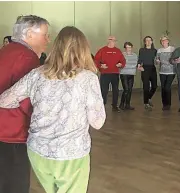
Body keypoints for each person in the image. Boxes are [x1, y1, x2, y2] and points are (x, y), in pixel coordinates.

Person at [0, 26, 106, 193]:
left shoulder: (36, 74)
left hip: (38, 151)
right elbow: (97, 122)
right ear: (84, 49)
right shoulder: (88, 78)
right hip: (72, 154)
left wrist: (33, 108)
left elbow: (4, 100)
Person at [0, 15, 49, 193]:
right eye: (45, 34)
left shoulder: (6, 51)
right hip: (13, 133)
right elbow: (29, 102)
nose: (48, 40)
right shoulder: (27, 58)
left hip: (3, 131)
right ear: (29, 34)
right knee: (15, 185)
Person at [94, 35, 126, 113]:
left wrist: (120, 65)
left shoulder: (118, 51)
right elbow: (96, 60)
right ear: (108, 40)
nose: (113, 42)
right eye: (112, 40)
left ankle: (115, 106)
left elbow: (123, 61)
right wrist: (100, 66)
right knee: (104, 90)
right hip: (105, 74)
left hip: (115, 73)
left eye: (115, 40)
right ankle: (102, 105)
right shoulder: (102, 50)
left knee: (116, 90)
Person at [156, 35, 176, 111]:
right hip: (162, 71)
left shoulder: (172, 49)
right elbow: (157, 59)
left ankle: (168, 104)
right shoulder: (159, 50)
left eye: (165, 40)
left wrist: (175, 61)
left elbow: (175, 59)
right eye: (162, 41)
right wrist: (157, 61)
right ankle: (164, 104)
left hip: (171, 71)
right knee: (163, 88)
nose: (163, 42)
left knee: (167, 87)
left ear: (168, 41)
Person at [138, 36, 158, 110]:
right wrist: (139, 66)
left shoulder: (155, 50)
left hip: (152, 68)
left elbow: (156, 61)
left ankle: (149, 98)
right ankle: (146, 103)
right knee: (146, 87)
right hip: (145, 68)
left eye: (150, 40)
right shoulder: (142, 50)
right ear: (145, 42)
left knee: (154, 86)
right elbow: (140, 59)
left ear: (152, 42)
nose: (148, 42)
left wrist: (158, 62)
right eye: (147, 40)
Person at [119, 42, 138, 110]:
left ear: (131, 48)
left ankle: (127, 104)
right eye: (127, 47)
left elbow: (136, 63)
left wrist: (127, 66)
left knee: (130, 90)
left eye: (129, 47)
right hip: (124, 74)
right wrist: (129, 66)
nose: (128, 49)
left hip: (131, 74)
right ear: (125, 48)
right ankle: (121, 104)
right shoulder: (122, 55)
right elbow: (121, 64)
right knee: (126, 89)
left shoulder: (135, 55)